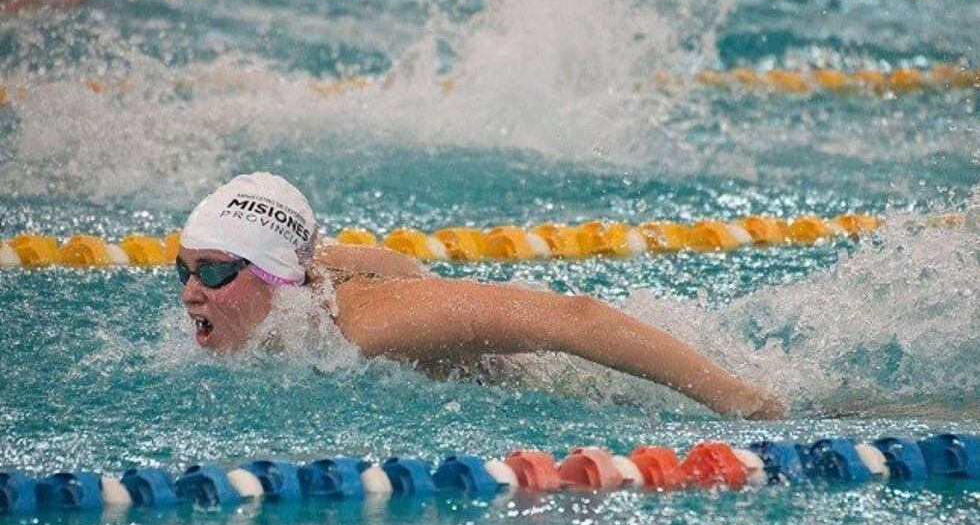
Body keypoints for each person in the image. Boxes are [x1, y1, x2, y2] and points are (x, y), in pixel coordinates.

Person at [178, 172, 785, 419]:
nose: (190, 294)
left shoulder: (369, 328)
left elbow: (573, 318)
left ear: (275, 276)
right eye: (181, 271)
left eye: (213, 273)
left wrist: (744, 403)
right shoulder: (298, 281)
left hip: (575, 387)